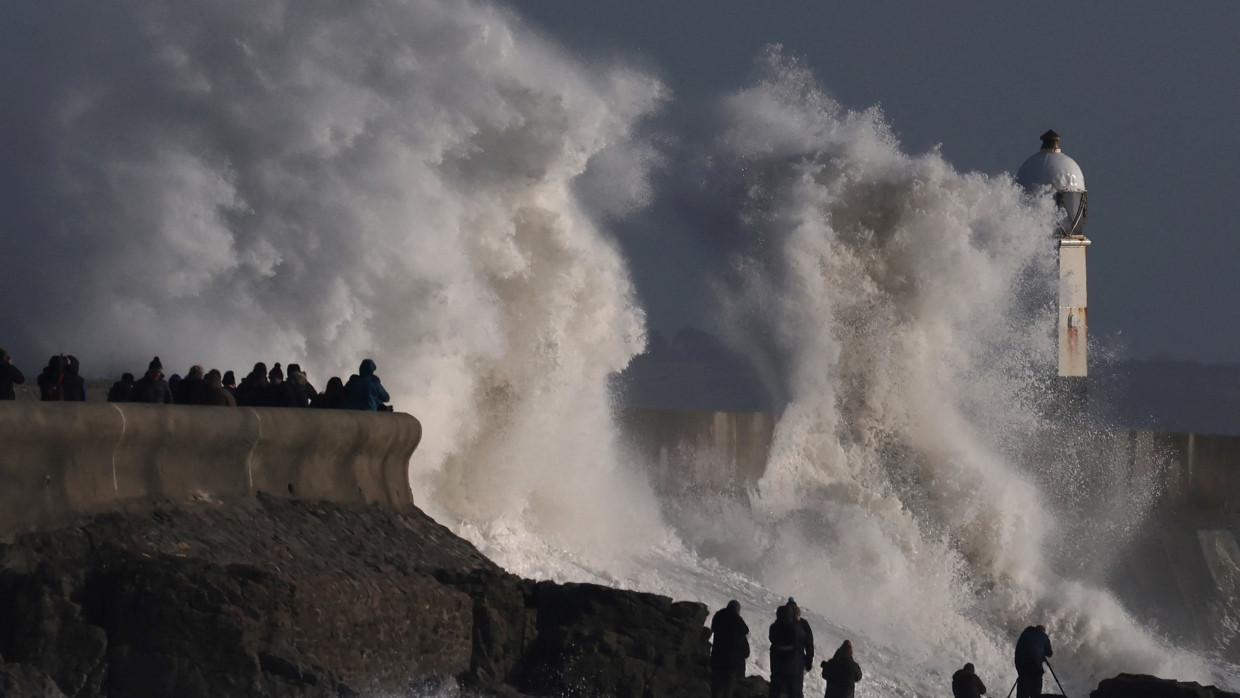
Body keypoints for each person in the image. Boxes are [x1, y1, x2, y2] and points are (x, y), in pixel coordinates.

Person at [769, 599, 812, 698]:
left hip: (777, 664)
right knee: (794, 691)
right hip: (795, 664)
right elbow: (808, 641)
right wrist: (808, 661)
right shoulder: (798, 626)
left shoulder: (775, 626)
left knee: (776, 690)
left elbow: (771, 639)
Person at [710, 600, 749, 698]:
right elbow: (746, 652)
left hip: (716, 658)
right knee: (727, 690)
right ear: (738, 612)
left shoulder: (718, 618)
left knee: (715, 689)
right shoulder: (739, 626)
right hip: (731, 663)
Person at [1014, 625, 1052, 698]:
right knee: (1035, 692)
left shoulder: (1026, 632)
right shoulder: (1044, 636)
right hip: (1035, 665)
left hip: (1021, 662)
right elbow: (1049, 653)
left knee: (1023, 684)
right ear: (1043, 632)